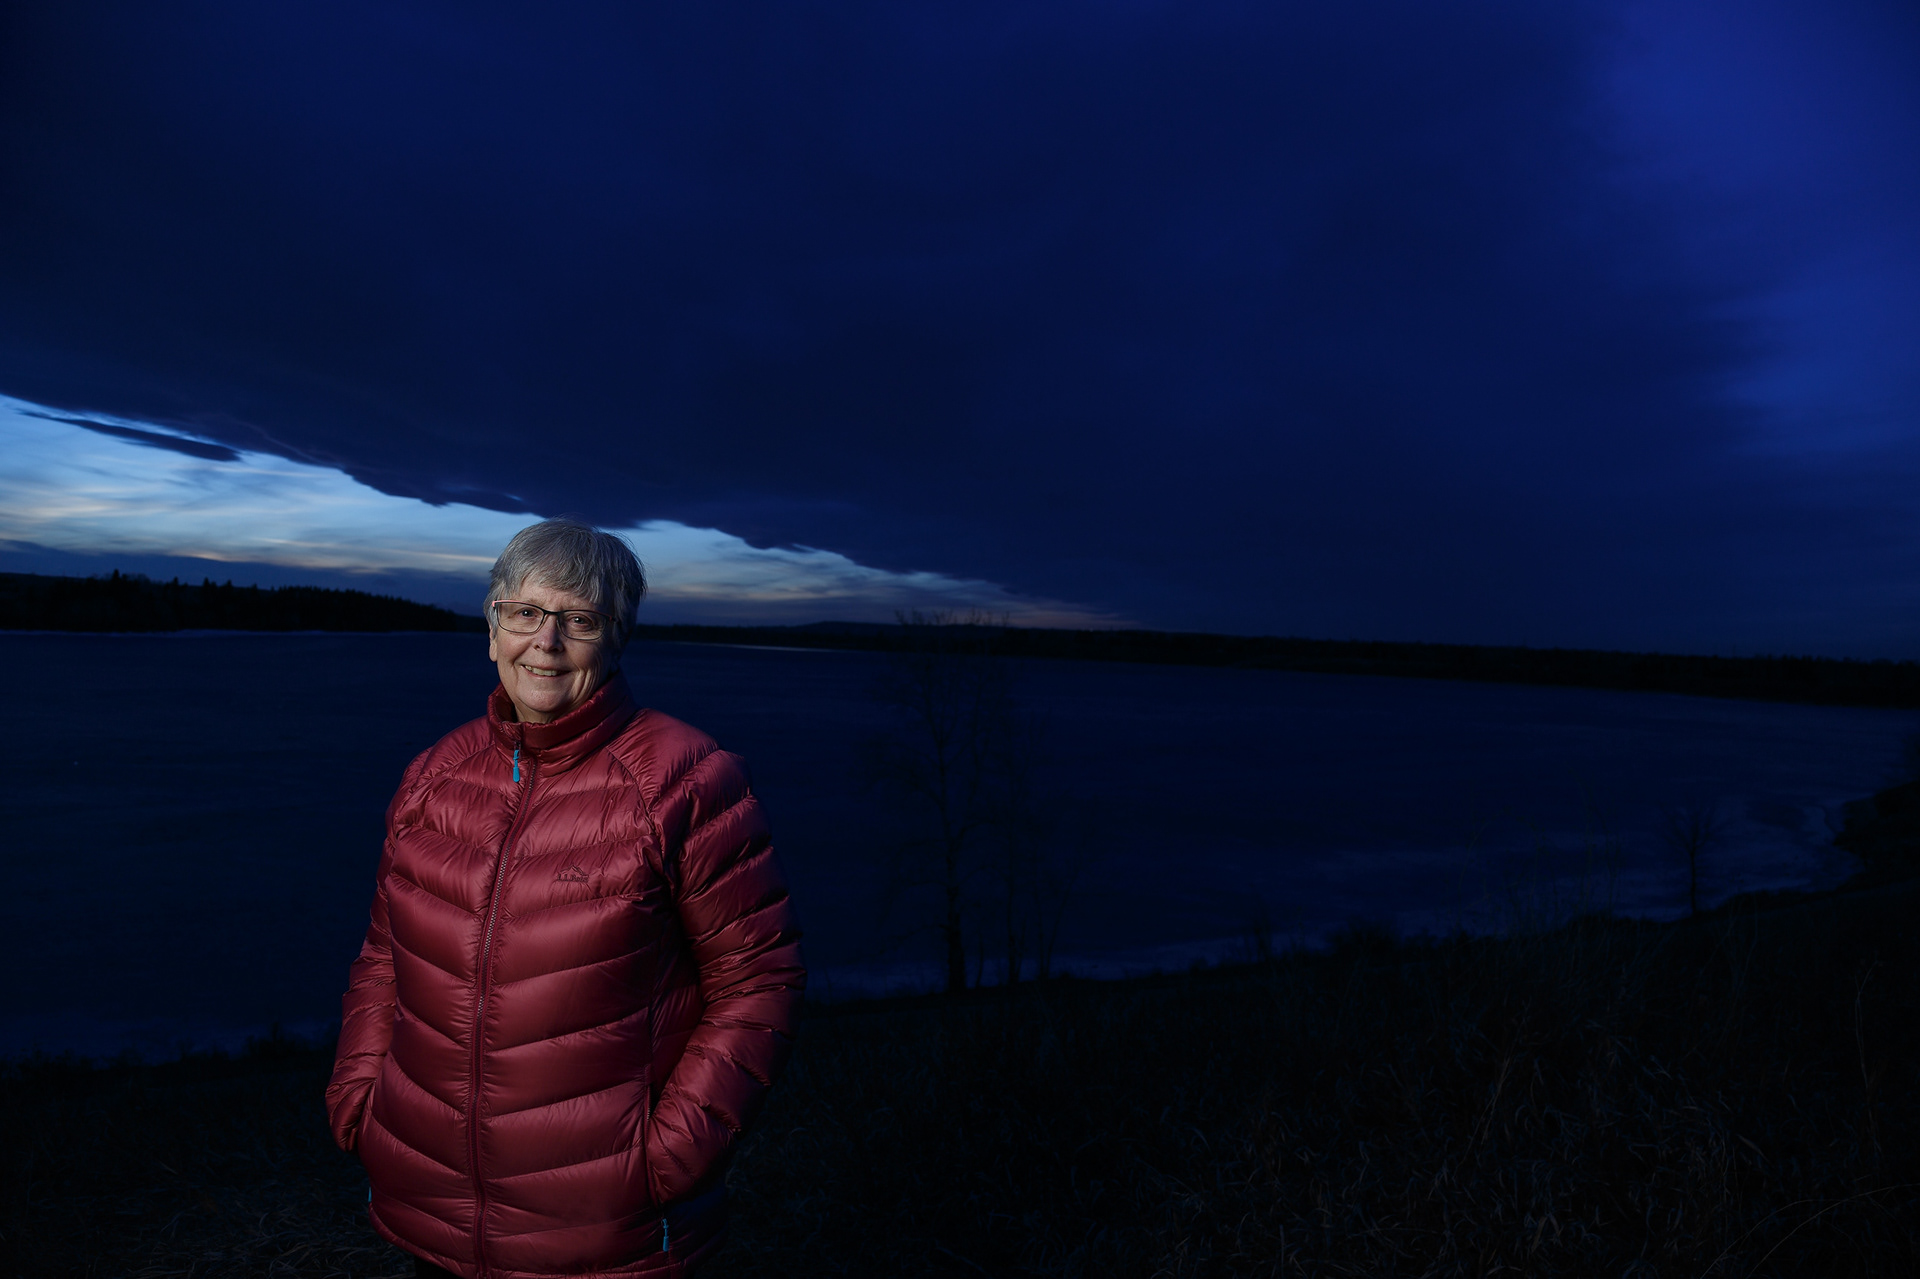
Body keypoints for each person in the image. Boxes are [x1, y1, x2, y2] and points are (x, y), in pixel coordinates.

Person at [325, 519, 805, 1278]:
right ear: (492, 629)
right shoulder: (432, 778)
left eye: (579, 620)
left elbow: (758, 981)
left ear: (615, 640)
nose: (545, 642)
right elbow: (385, 957)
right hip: (433, 1216)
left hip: (603, 1234)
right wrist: (361, 1098)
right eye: (525, 613)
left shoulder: (687, 781)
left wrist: (667, 1158)